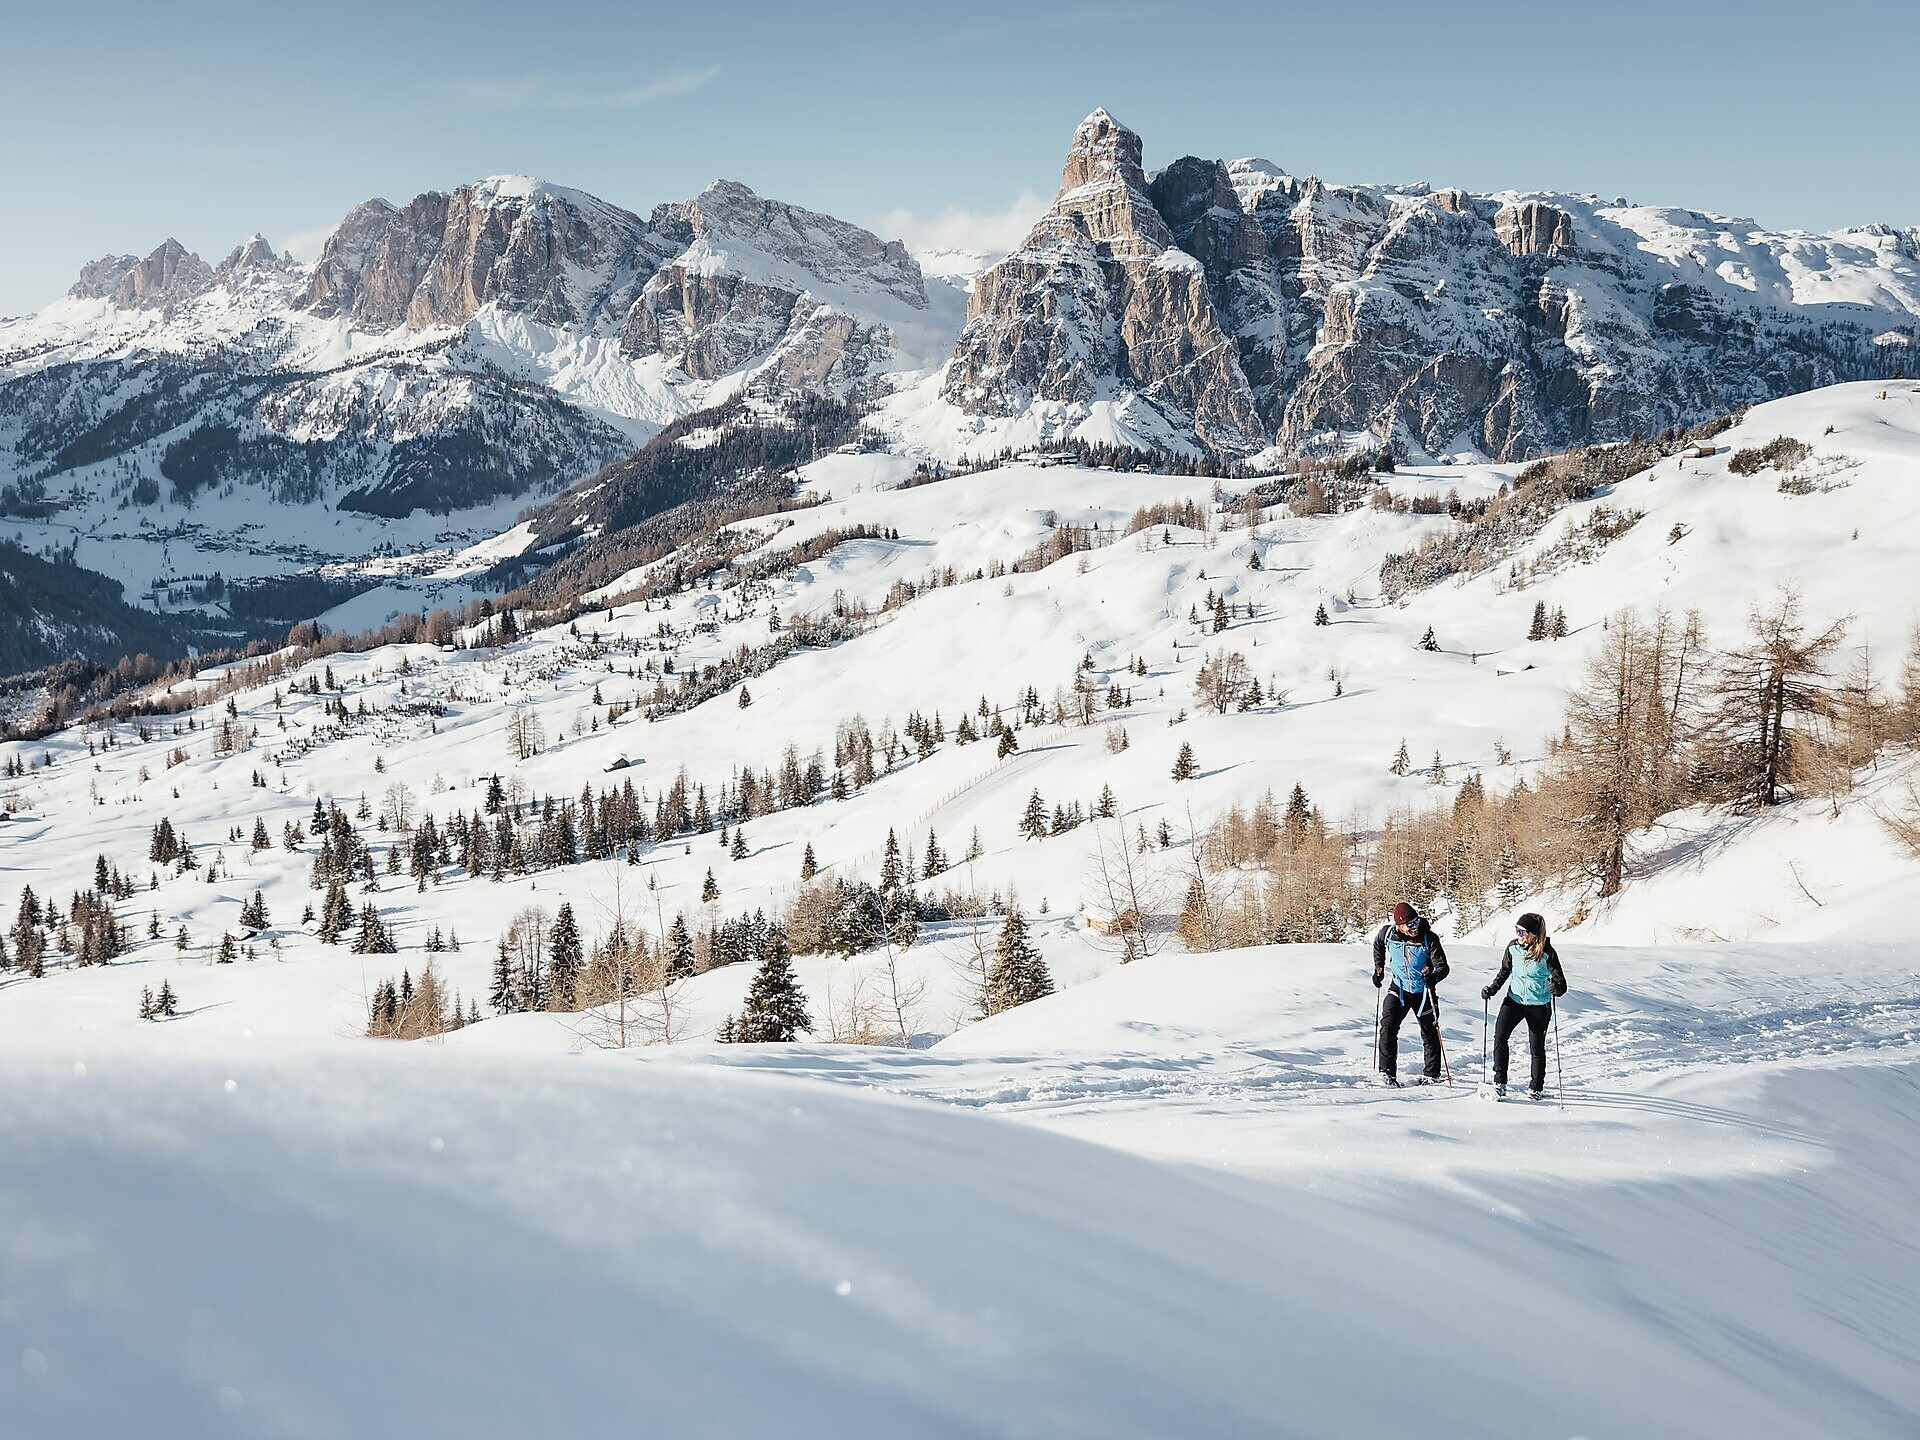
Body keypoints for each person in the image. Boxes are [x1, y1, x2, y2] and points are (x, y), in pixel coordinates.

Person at [1481, 912, 1567, 1099]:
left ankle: (1536, 1087)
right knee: (1500, 1037)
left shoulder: (1547, 953)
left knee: (1536, 1048)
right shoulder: (1513, 948)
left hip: (1539, 1005)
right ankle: (1499, 1082)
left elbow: (1561, 983)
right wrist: (1492, 989)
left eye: (1522, 932)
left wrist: (1556, 987)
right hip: (1514, 1000)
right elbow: (1505, 970)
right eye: (1517, 931)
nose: (1518, 935)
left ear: (1534, 934)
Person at [1371, 901, 1450, 1085]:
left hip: (1423, 991)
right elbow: (1378, 945)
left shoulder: (1428, 938)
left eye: (1416, 922)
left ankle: (1432, 1075)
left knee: (1429, 1032)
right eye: (1410, 924)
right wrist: (1379, 968)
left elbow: (1443, 967)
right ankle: (1386, 1073)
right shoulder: (1388, 934)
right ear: (1399, 925)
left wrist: (1433, 978)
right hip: (1399, 987)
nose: (1414, 927)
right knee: (1388, 1026)